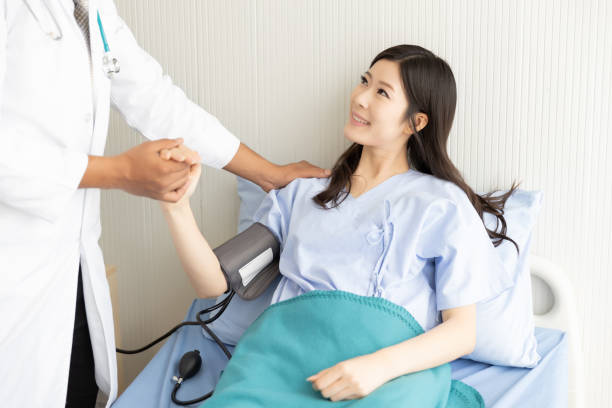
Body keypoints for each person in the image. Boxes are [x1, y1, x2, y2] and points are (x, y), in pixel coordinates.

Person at [0, 1, 328, 407]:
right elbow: (213, 285)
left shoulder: (90, 8)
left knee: (74, 385)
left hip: (66, 270)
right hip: (13, 262)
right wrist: (120, 173)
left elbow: (154, 98)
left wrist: (267, 174)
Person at [160, 44, 519, 402]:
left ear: (416, 121)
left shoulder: (440, 203)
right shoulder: (301, 194)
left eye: (381, 92)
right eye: (364, 81)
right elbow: (211, 285)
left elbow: (461, 332)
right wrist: (177, 208)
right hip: (278, 365)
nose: (360, 98)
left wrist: (377, 367)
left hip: (388, 375)